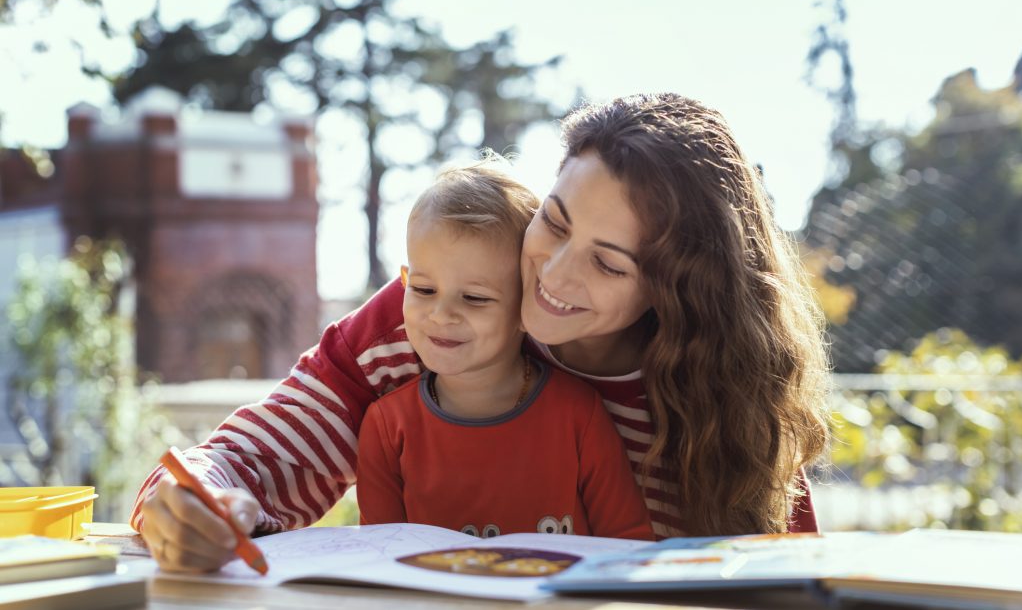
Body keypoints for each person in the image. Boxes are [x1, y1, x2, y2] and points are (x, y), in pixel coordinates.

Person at [133, 93, 830, 573]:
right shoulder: (436, 314)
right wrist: (190, 503)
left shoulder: (723, 396)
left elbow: (786, 578)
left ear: (676, 287)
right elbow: (247, 458)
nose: (551, 274)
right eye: (554, 221)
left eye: (607, 262)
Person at [355, 162, 653, 540]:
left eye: (475, 298)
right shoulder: (386, 427)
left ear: (525, 307)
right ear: (404, 281)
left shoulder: (579, 414)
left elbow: (628, 543)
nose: (442, 314)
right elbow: (376, 559)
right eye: (424, 290)